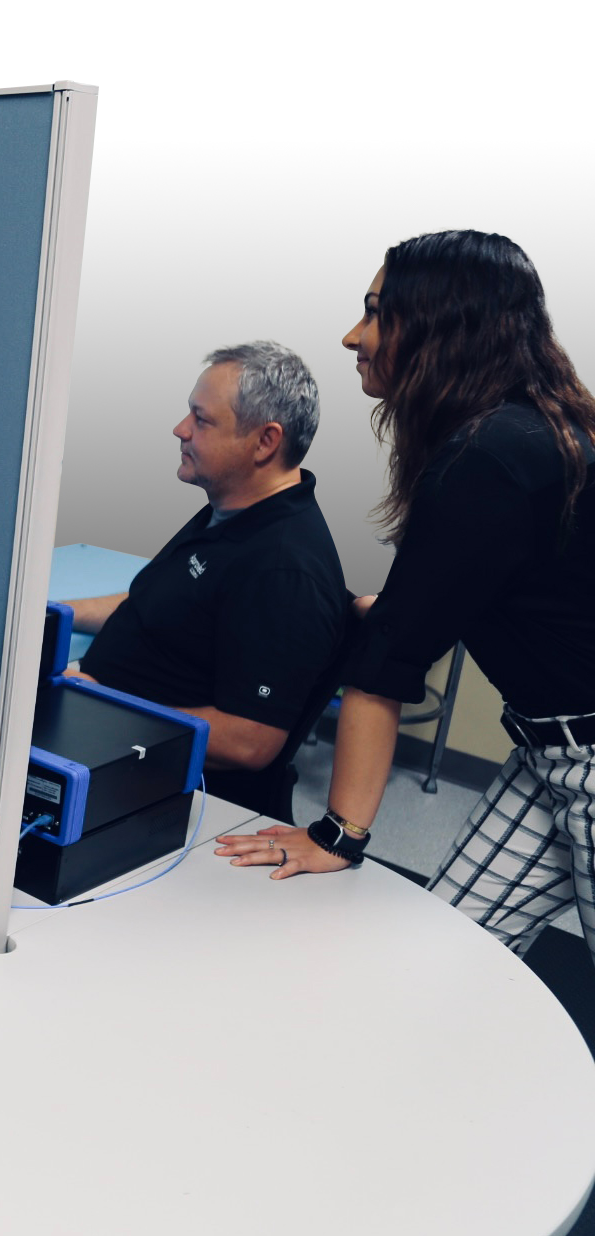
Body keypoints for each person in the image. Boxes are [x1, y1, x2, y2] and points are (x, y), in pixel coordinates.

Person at [218, 231, 595, 968]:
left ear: (439, 327)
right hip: (547, 753)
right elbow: (523, 600)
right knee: (442, 961)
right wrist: (379, 612)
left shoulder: (489, 455)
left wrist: (337, 835)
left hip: (586, 759)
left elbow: (389, 662)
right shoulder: (533, 430)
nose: (353, 337)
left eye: (376, 313)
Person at [64, 342, 348, 821]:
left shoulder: (283, 570)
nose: (181, 429)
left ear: (265, 442)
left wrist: (101, 704)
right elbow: (159, 605)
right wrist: (55, 613)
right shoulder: (234, 512)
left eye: (202, 419)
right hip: (106, 734)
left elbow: (249, 741)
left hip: (162, 791)